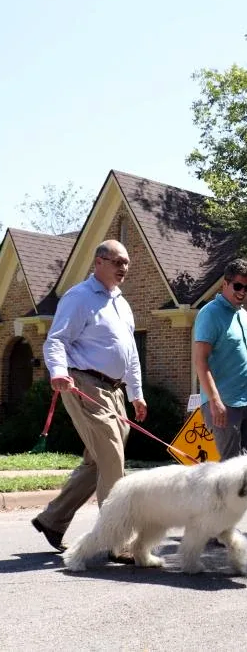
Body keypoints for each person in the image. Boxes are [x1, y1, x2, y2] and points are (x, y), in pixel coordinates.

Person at [32, 240, 147, 562]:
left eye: (127, 263)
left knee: (98, 459)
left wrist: (137, 393)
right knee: (111, 457)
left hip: (115, 391)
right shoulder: (79, 297)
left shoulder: (122, 303)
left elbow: (131, 354)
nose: (123, 268)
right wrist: (57, 371)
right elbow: (56, 339)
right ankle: (118, 539)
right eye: (117, 262)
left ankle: (53, 520)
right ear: (98, 262)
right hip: (84, 384)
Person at [193, 257, 247, 461]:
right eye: (238, 286)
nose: (243, 292)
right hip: (224, 403)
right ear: (225, 284)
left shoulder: (243, 315)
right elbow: (200, 361)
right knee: (231, 470)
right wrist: (215, 401)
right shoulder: (210, 314)